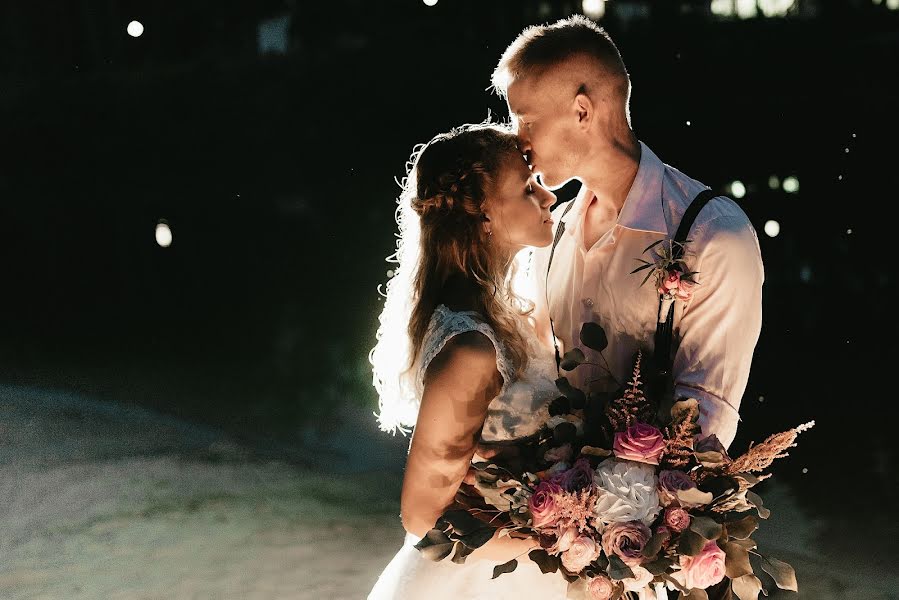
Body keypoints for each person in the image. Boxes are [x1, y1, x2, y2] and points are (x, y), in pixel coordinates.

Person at [491, 15, 764, 452]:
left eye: (524, 119)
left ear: (582, 111)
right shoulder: (549, 234)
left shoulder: (713, 236)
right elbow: (537, 381)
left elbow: (704, 426)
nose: (517, 140)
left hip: (647, 516)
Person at [367, 123, 573, 598]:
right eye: (526, 188)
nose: (548, 197)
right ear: (483, 214)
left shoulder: (507, 313)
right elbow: (422, 517)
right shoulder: (471, 349)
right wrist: (550, 533)